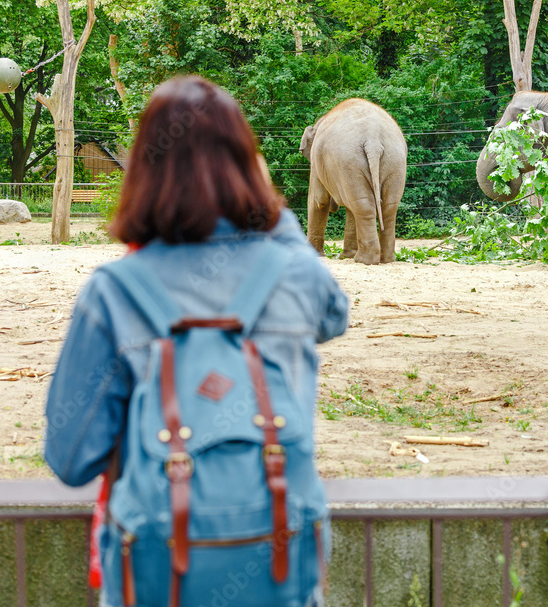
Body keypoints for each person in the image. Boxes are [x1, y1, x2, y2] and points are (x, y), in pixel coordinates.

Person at [44, 76, 348, 607]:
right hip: (279, 561)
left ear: (143, 169)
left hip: (157, 574)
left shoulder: (112, 294)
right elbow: (334, 315)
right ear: (247, 164)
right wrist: (271, 211)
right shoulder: (296, 276)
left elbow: (71, 460)